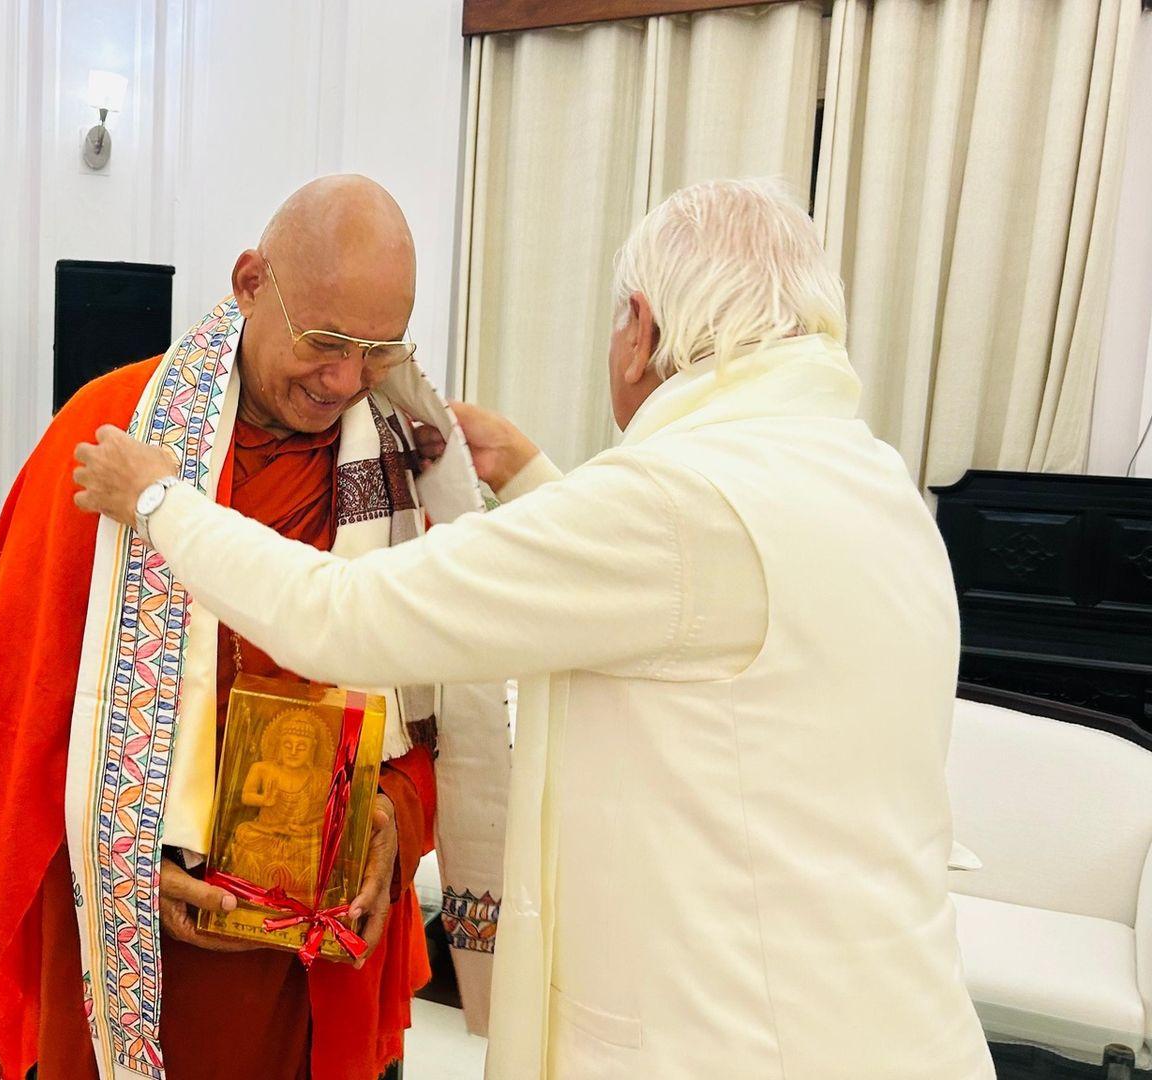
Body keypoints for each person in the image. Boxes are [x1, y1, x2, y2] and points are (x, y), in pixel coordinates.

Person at [74, 178, 995, 1079]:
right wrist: (526, 472)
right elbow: (692, 609)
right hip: (898, 1024)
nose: (346, 377)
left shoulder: (679, 503)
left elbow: (343, 615)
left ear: (641, 330)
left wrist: (160, 500)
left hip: (735, 1037)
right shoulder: (876, 482)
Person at [0, 175, 508, 1080]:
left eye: (377, 351)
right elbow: (11, 726)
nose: (346, 381)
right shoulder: (107, 438)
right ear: (250, 282)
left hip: (320, 967)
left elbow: (435, 713)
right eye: (325, 343)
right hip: (148, 953)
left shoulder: (406, 470)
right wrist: (121, 848)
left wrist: (397, 823)